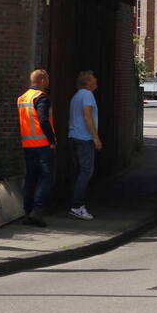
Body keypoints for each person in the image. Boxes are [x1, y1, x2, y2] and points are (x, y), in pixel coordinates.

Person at [17, 69, 56, 227]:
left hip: (27, 144)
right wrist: (51, 140)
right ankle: (37, 210)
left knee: (31, 178)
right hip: (42, 145)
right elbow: (43, 120)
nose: (48, 82)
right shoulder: (41, 98)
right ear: (41, 81)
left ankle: (27, 212)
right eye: (46, 79)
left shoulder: (22, 98)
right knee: (47, 177)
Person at [67, 70, 102, 220]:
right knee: (86, 172)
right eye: (93, 78)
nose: (96, 80)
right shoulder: (87, 95)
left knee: (78, 172)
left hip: (73, 136)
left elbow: (71, 119)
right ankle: (77, 206)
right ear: (88, 82)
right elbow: (88, 117)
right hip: (84, 138)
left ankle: (74, 204)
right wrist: (95, 137)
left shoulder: (75, 96)